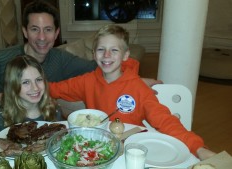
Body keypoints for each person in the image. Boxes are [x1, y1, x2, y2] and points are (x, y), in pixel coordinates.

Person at [0, 0, 161, 121]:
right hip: (7, 127)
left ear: (57, 33)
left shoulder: (62, 59)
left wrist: (129, 80)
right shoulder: (1, 59)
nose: (42, 37)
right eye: (35, 29)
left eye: (48, 30)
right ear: (25, 31)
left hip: (45, 128)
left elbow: (103, 66)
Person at [48, 24, 216, 160]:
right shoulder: (86, 81)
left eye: (114, 50)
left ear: (126, 55)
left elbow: (165, 120)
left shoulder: (138, 88)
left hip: (132, 151)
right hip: (97, 150)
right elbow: (55, 88)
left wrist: (198, 148)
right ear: (94, 54)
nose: (107, 55)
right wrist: (31, 86)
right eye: (101, 49)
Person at [0, 55, 59, 134]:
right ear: (13, 86)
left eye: (38, 79)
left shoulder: (53, 109)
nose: (35, 88)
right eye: (26, 82)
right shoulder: (2, 119)